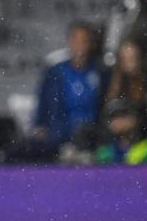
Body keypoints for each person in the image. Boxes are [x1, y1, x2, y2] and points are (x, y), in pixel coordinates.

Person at [30, 22, 107, 158]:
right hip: (60, 136)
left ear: (92, 44)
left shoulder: (100, 73)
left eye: (84, 41)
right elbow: (44, 103)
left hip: (92, 138)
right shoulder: (56, 73)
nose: (80, 46)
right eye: (76, 41)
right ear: (69, 43)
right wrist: (40, 126)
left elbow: (105, 103)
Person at [95, 99, 147, 165]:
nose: (118, 121)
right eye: (113, 117)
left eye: (122, 115)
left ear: (136, 118)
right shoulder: (104, 154)